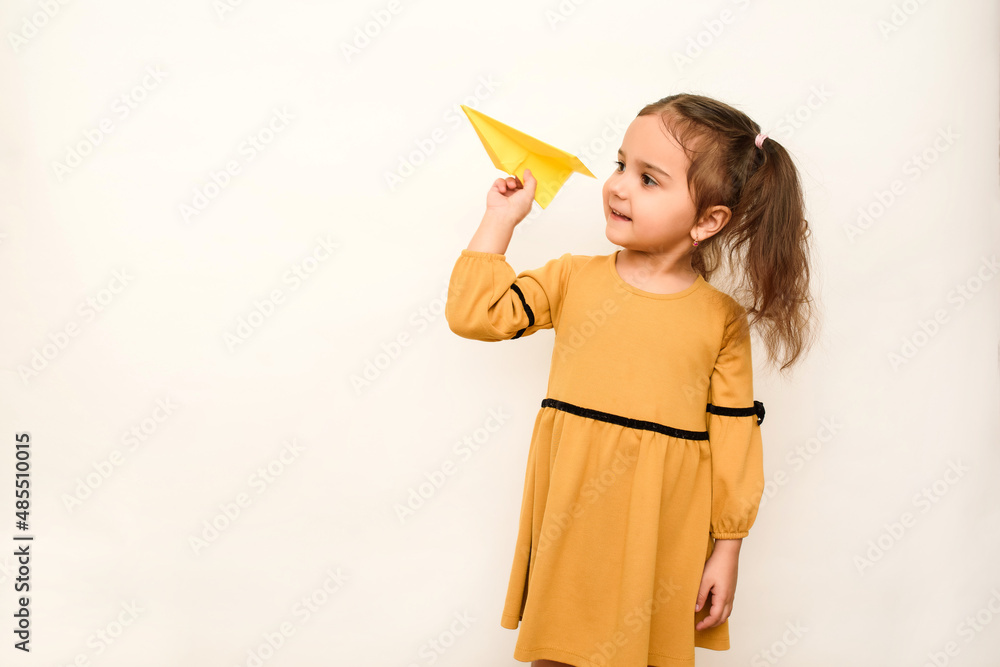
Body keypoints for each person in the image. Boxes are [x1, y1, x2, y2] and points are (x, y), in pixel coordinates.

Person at [445, 93, 818, 667]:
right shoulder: (570, 279)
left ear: (708, 220)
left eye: (648, 179)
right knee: (557, 650)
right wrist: (500, 219)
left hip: (660, 524)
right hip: (572, 510)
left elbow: (735, 437)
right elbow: (476, 313)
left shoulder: (720, 320)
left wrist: (728, 549)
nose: (618, 186)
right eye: (621, 164)